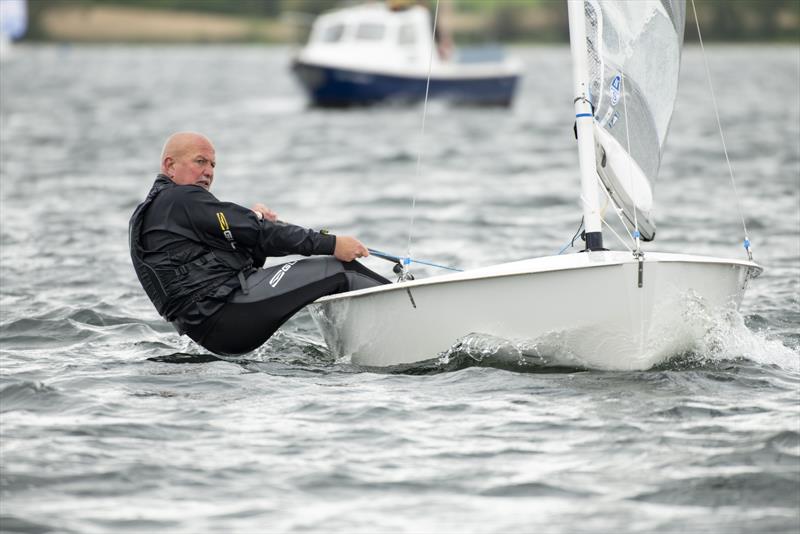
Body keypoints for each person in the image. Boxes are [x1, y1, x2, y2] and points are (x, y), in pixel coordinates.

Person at [129, 132, 390, 356]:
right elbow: (261, 234)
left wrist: (253, 225)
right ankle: (416, 316)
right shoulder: (181, 199)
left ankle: (369, 345)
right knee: (342, 270)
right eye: (200, 161)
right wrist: (332, 243)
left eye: (212, 164)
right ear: (170, 166)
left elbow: (244, 250)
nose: (208, 171)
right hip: (227, 313)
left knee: (328, 278)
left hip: (214, 332)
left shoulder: (156, 212)